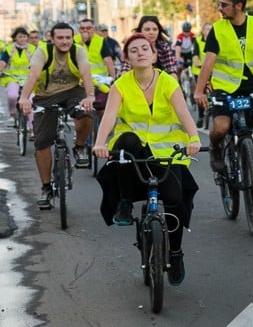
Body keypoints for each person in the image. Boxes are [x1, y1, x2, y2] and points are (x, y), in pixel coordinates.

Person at [92, 33, 201, 285]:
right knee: (127, 141)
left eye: (145, 49)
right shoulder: (121, 85)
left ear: (154, 55)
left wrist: (193, 139)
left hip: (167, 154)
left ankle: (175, 254)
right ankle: (125, 202)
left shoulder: (168, 82)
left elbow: (184, 115)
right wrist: (99, 143)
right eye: (133, 50)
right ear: (127, 58)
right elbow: (109, 117)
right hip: (135, 154)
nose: (140, 52)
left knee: (174, 200)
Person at [194, 0, 253, 171]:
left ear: (239, 5)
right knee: (221, 127)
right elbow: (208, 63)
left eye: (224, 5)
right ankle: (216, 148)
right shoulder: (218, 29)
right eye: (220, 4)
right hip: (225, 89)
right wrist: (199, 90)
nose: (220, 8)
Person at [18, 22, 96, 209]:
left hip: (72, 92)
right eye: (60, 38)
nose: (64, 41)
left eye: (68, 37)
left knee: (87, 113)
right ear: (51, 39)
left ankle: (79, 147)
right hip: (45, 96)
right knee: (42, 143)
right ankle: (46, 189)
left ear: (72, 37)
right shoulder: (43, 51)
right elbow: (34, 75)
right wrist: (24, 98)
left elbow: (86, 75)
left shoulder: (78, 51)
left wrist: (90, 96)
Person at [75, 18, 116, 109]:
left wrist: (113, 78)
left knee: (100, 106)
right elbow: (73, 55)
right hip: (81, 81)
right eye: (82, 28)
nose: (85, 30)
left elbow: (108, 60)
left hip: (99, 80)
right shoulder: (75, 40)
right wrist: (82, 41)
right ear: (79, 30)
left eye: (88, 28)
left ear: (93, 29)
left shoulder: (100, 40)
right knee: (80, 108)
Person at [0, 27, 36, 124]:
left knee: (31, 100)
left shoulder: (33, 49)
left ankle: (31, 128)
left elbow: (38, 63)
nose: (22, 39)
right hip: (12, 78)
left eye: (24, 36)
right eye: (20, 36)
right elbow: (3, 62)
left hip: (28, 79)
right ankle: (12, 114)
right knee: (12, 95)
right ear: (15, 38)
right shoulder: (9, 49)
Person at [192, 22, 212, 124]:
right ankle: (200, 116)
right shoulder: (198, 41)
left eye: (210, 29)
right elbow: (195, 54)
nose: (209, 31)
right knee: (201, 93)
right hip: (200, 70)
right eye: (207, 29)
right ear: (203, 31)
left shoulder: (215, 40)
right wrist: (197, 63)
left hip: (213, 70)